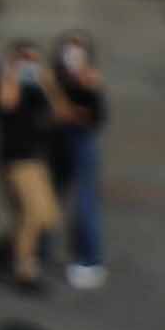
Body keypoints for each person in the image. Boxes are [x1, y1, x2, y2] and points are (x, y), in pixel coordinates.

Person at [0, 41, 64, 286]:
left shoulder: (37, 89)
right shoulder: (3, 85)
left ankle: (6, 247)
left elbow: (59, 113)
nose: (28, 64)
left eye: (32, 59)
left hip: (36, 160)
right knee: (30, 214)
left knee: (47, 216)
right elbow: (5, 103)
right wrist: (10, 73)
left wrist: (48, 82)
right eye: (23, 58)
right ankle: (23, 266)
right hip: (15, 159)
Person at [51, 30, 110, 288]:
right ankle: (40, 250)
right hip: (59, 142)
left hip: (81, 142)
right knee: (51, 196)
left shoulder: (90, 83)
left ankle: (89, 258)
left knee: (85, 202)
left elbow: (95, 118)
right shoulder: (55, 79)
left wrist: (82, 100)